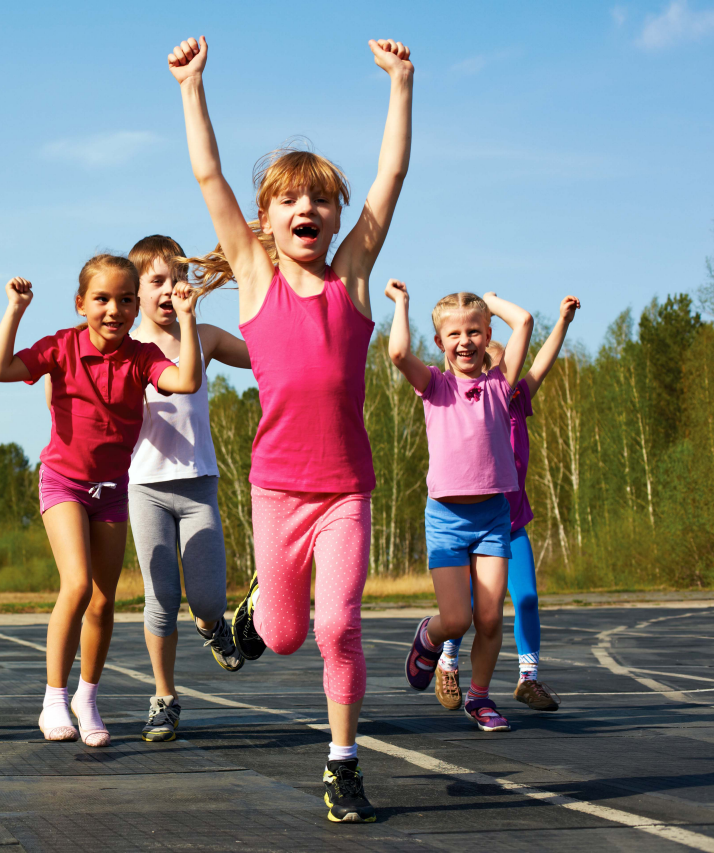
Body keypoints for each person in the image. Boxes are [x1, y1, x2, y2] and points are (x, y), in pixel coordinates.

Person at [167, 34, 414, 822]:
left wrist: (401, 85)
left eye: (321, 200)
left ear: (337, 217)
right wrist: (191, 86)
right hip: (276, 491)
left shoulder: (352, 278)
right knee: (280, 637)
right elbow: (208, 175)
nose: (308, 209)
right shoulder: (254, 277)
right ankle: (250, 614)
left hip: (346, 490)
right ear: (266, 221)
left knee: (338, 624)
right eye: (289, 201)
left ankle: (343, 765)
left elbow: (391, 178)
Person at [0, 255, 202, 747]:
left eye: (126, 300)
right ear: (81, 303)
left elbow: (186, 381)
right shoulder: (62, 346)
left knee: (104, 602)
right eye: (102, 299)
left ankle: (87, 697)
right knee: (78, 585)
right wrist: (15, 311)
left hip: (112, 491)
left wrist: (187, 320)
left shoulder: (143, 356)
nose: (114, 309)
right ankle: (54, 698)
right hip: (63, 482)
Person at [385, 281, 533, 734]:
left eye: (474, 332)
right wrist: (403, 304)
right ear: (440, 343)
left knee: (490, 617)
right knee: (456, 619)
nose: (465, 341)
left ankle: (480, 697)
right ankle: (428, 638)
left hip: (492, 517)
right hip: (447, 519)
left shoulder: (499, 383)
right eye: (455, 334)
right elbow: (396, 355)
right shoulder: (434, 385)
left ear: (488, 336)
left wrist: (488, 303)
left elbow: (524, 321)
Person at [125, 235, 250, 742]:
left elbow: (266, 357)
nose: (170, 289)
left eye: (178, 277)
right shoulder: (124, 345)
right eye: (157, 280)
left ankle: (213, 625)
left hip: (198, 485)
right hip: (145, 487)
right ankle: (164, 698)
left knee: (204, 601)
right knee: (160, 599)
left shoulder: (206, 337)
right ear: (135, 291)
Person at [436, 296, 581, 713]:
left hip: (512, 524)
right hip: (470, 522)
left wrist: (563, 323)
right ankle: (448, 663)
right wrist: (479, 314)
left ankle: (528, 678)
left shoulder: (516, 399)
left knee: (528, 599)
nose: (507, 370)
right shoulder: (471, 399)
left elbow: (542, 363)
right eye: (497, 364)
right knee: (466, 610)